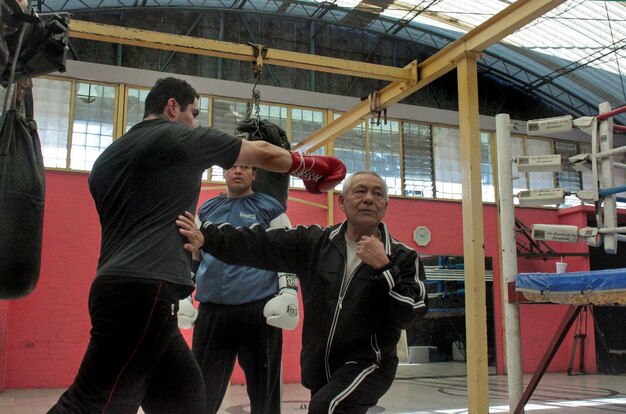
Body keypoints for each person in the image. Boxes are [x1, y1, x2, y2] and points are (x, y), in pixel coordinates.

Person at [48, 76, 345, 414]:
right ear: (172, 107)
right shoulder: (181, 138)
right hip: (144, 289)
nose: (195, 122)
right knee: (93, 401)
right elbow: (261, 152)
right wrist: (312, 166)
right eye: (193, 113)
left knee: (186, 400)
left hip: (125, 288)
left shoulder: (106, 161)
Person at [177, 171, 428, 414]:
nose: (369, 199)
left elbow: (411, 313)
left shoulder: (403, 256)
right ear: (342, 201)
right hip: (320, 364)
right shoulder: (316, 243)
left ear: (385, 205)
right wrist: (207, 238)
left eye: (378, 194)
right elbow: (259, 243)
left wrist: (384, 267)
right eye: (360, 191)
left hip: (369, 364)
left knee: (325, 408)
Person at [191, 164, 298, 414]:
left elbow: (289, 252)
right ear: (225, 174)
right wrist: (185, 290)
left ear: (254, 175)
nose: (238, 171)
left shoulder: (270, 208)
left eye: (245, 167)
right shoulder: (206, 210)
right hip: (212, 311)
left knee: (264, 388)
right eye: (232, 167)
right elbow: (193, 254)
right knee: (201, 386)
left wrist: (289, 292)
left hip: (258, 310)